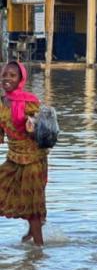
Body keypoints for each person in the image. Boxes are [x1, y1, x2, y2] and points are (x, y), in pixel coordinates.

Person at [0, 61, 48, 245]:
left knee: (33, 208)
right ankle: (32, 238)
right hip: (13, 158)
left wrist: (32, 127)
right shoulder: (2, 103)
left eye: (12, 75)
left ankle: (38, 251)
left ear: (20, 79)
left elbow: (45, 129)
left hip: (33, 159)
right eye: (4, 74)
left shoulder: (29, 102)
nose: (7, 78)